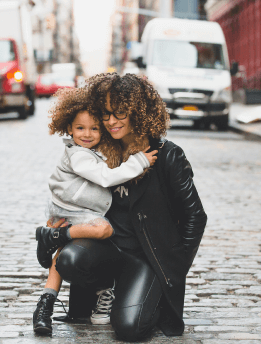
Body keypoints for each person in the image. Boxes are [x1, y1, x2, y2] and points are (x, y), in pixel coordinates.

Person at [51, 73, 208, 341]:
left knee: (129, 328)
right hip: (108, 249)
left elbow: (195, 216)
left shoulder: (168, 155)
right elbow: (69, 191)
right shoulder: (100, 151)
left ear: (138, 112)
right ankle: (108, 290)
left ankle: (147, 295)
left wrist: (174, 268)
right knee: (69, 260)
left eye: (119, 113)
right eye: (106, 114)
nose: (111, 121)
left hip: (146, 257)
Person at [33, 88, 158, 335]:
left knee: (60, 256)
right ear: (69, 128)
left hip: (71, 209)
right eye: (80, 128)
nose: (87, 134)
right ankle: (59, 237)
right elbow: (105, 177)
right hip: (74, 210)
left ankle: (44, 306)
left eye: (94, 128)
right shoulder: (78, 155)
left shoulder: (92, 151)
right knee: (104, 229)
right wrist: (140, 162)